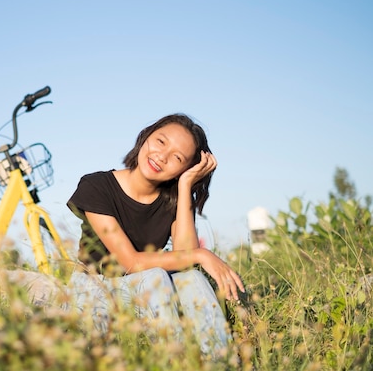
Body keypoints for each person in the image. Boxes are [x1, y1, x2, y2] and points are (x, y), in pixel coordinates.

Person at [65, 113, 245, 358]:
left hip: (144, 287)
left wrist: (185, 188)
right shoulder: (96, 186)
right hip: (95, 288)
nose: (162, 156)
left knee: (192, 278)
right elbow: (130, 263)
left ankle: (222, 369)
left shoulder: (174, 200)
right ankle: (177, 368)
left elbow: (185, 258)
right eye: (161, 141)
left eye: (178, 158)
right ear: (146, 136)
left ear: (185, 169)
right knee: (155, 276)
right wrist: (203, 255)